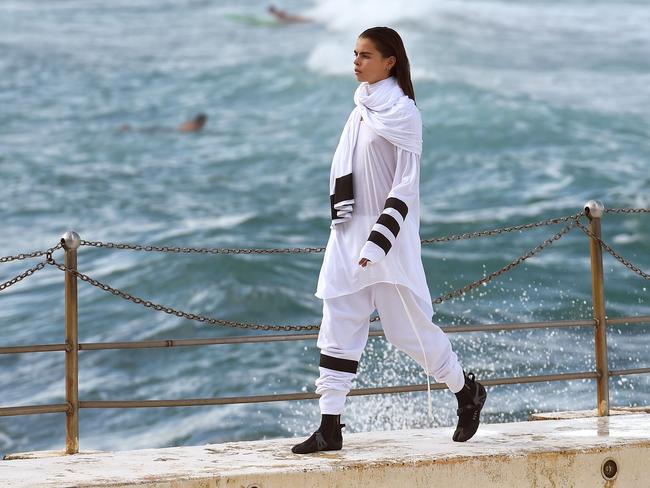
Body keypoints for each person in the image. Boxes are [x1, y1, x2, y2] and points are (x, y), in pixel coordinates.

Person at [291, 27, 487, 455]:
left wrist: (377, 242)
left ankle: (465, 391)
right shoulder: (360, 107)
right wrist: (351, 234)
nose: (356, 62)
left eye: (365, 55)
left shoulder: (403, 112)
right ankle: (330, 426)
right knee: (337, 327)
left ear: (390, 61)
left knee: (406, 333)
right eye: (354, 54)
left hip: (386, 240)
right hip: (347, 234)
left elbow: (406, 186)